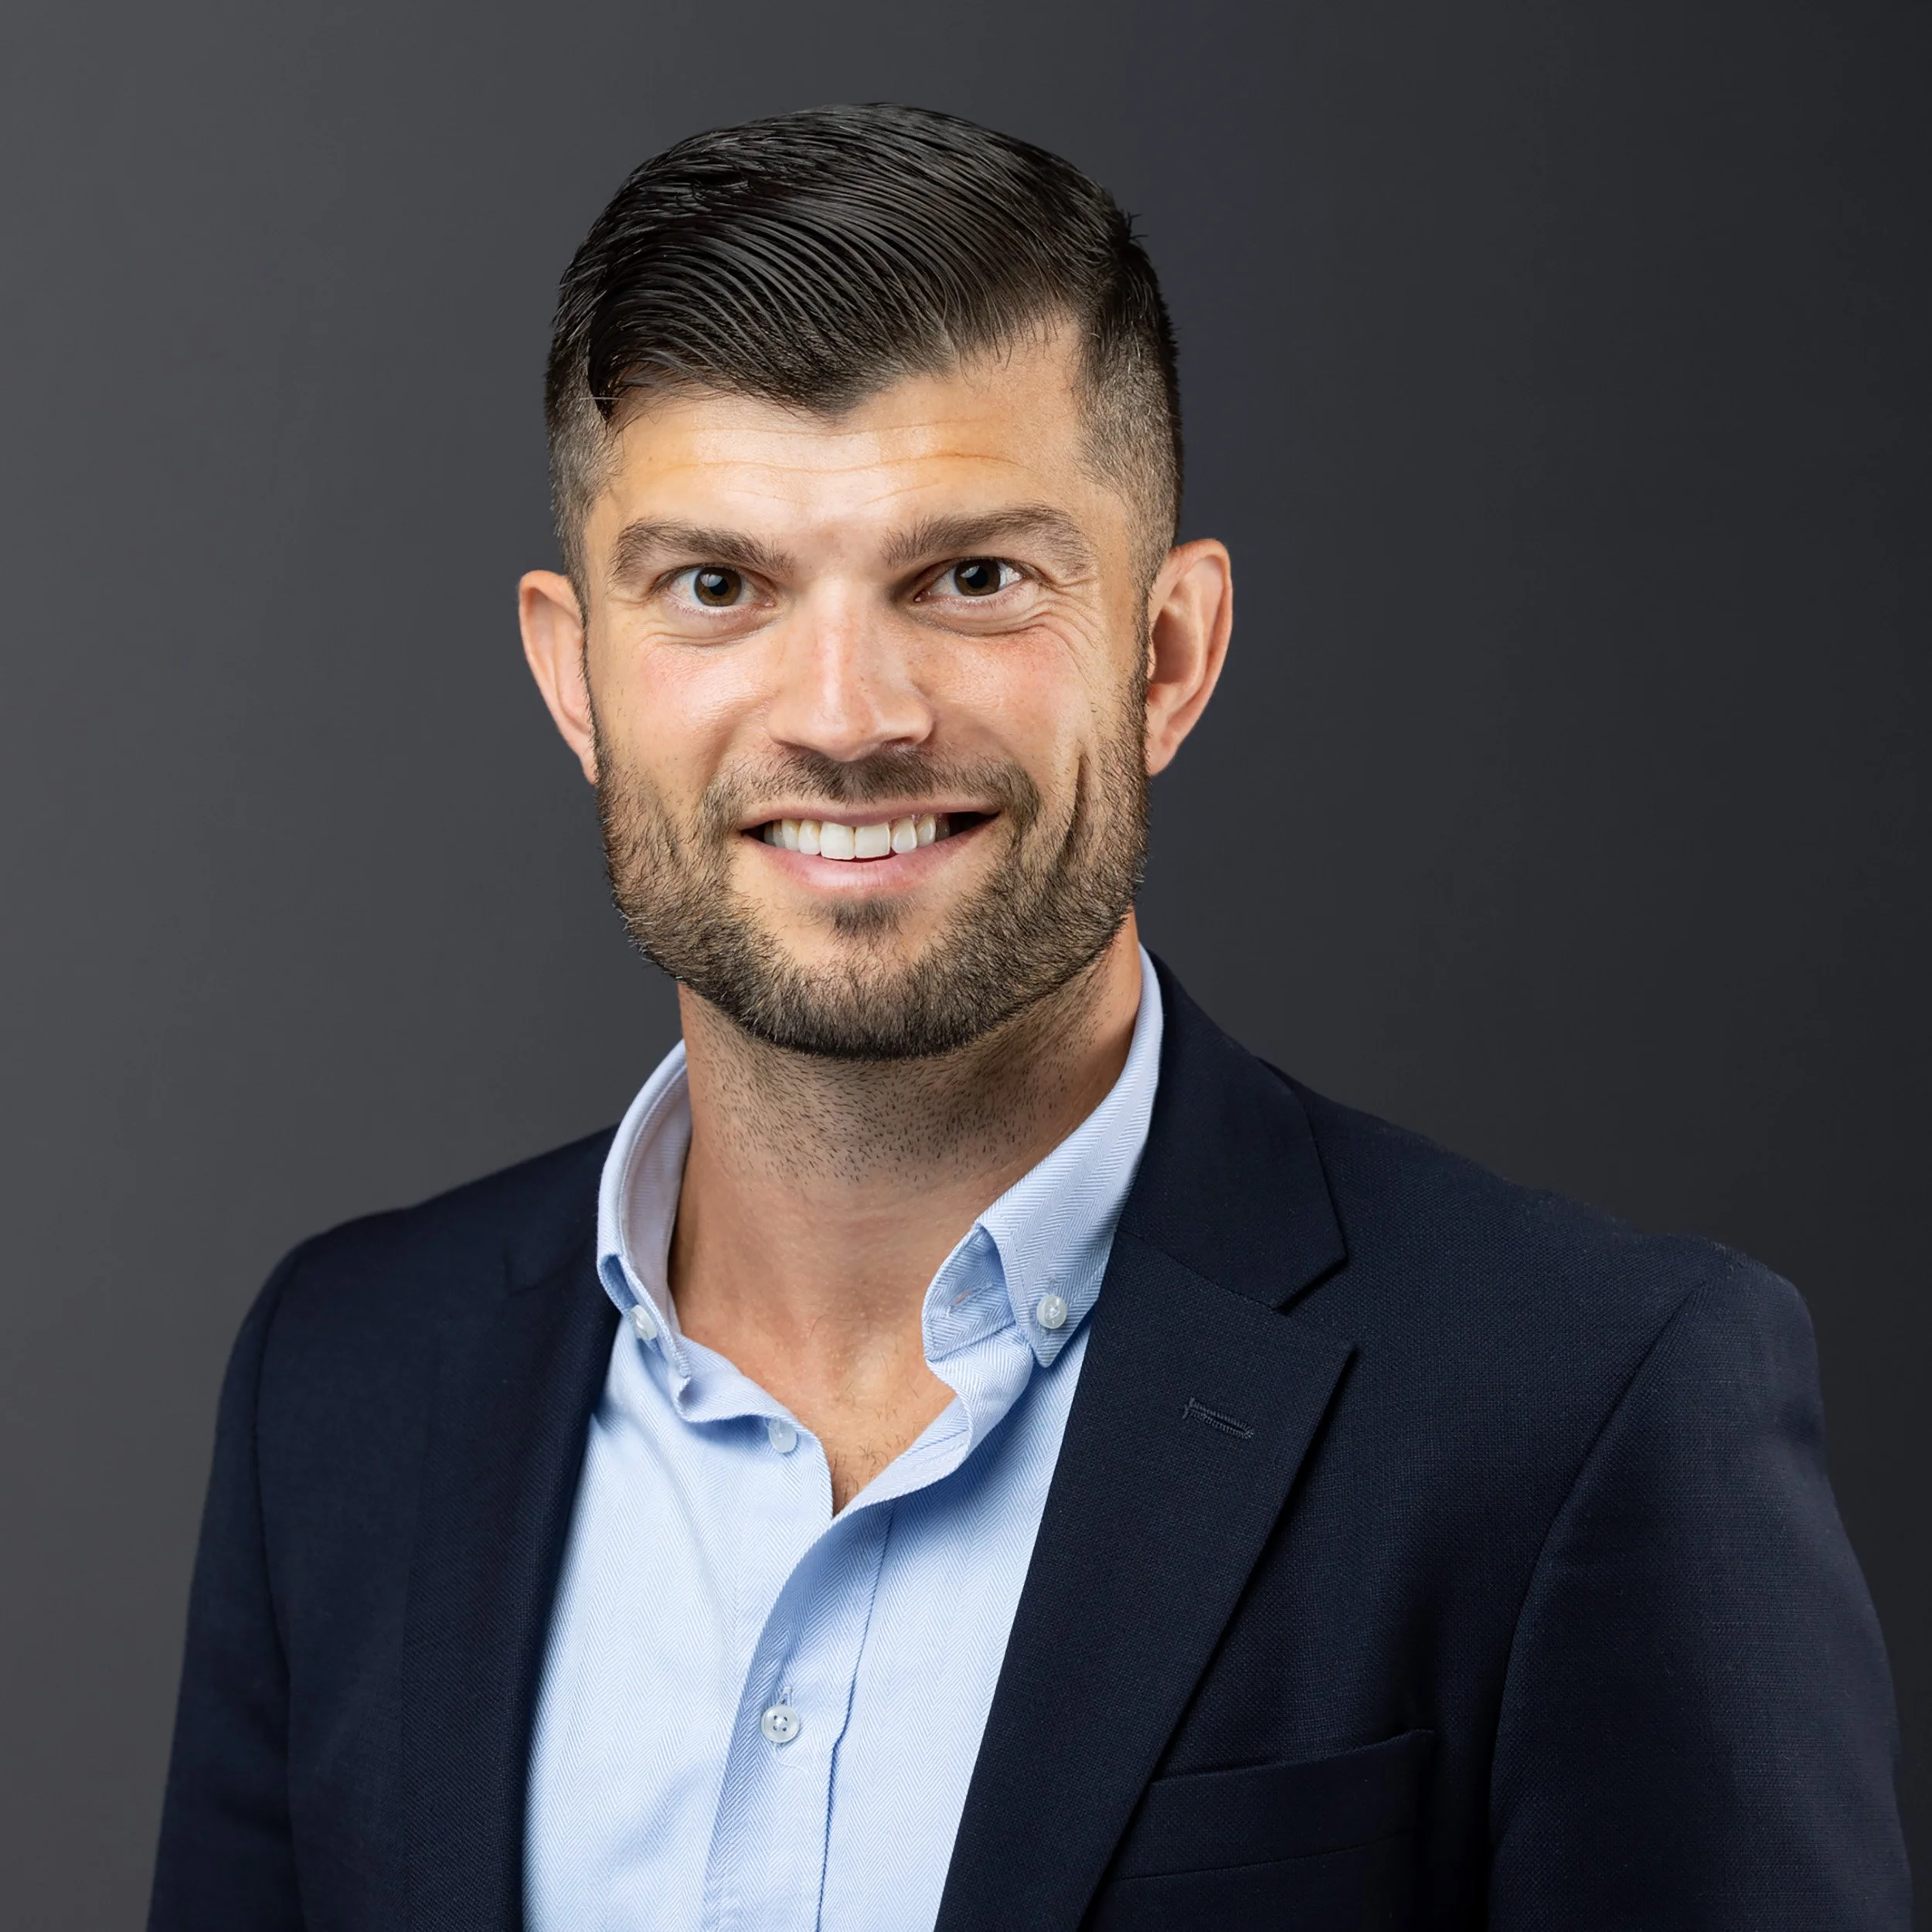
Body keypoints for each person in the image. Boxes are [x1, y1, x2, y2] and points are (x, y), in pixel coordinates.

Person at [148, 104, 1908, 1931]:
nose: (845, 713)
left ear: (1165, 652)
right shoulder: (343, 1385)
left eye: (971, 576)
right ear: (573, 673)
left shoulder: (1585, 1406)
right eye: (716, 586)